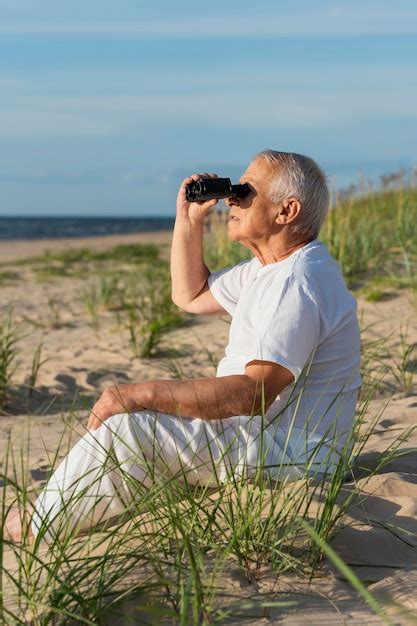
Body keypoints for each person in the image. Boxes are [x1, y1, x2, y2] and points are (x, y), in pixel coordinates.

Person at [6, 150, 361, 542]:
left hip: (296, 454)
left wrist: (144, 394)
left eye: (245, 192)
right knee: (144, 427)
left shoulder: (298, 281)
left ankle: (35, 528)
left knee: (131, 428)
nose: (231, 200)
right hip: (266, 437)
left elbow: (253, 393)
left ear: (286, 211)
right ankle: (54, 513)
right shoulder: (270, 270)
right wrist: (189, 221)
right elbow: (190, 294)